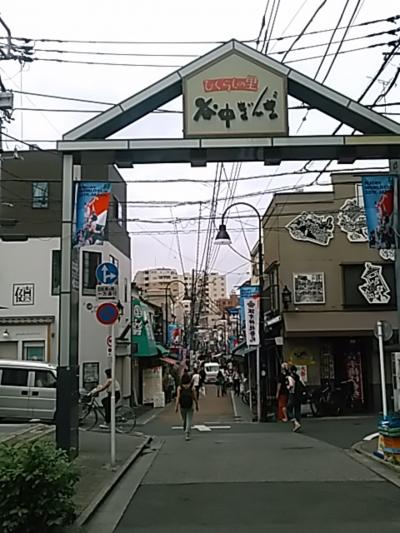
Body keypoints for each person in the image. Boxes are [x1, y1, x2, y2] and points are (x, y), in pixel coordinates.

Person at [176, 372, 199, 441]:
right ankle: (187, 434)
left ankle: (185, 427)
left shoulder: (180, 387)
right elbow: (194, 397)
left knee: (184, 419)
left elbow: (178, 397)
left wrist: (176, 406)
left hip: (182, 406)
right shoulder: (192, 387)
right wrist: (197, 404)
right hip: (190, 405)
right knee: (189, 420)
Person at [287, 365, 302, 432]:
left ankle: (295, 423)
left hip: (292, 395)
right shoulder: (299, 377)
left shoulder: (290, 377)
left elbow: (291, 386)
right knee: (297, 410)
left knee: (289, 409)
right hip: (298, 396)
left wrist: (288, 387)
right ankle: (298, 423)